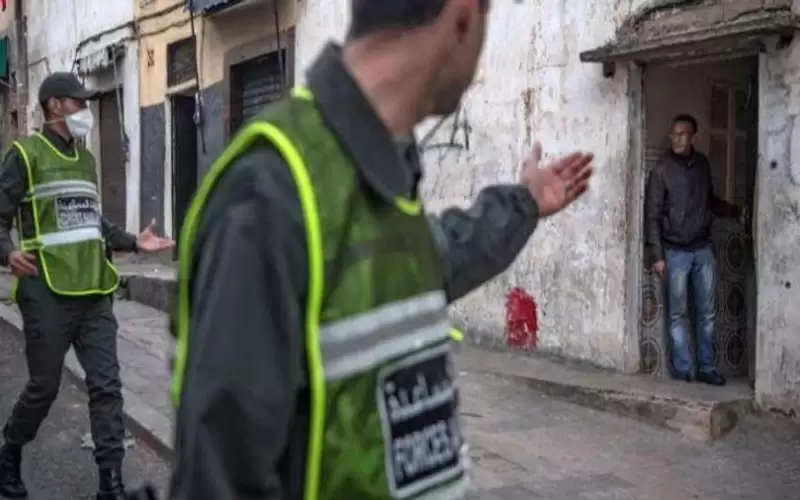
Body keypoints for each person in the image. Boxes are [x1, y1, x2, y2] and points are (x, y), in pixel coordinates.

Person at [168, 0, 594, 499]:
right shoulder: (271, 195)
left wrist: (524, 203)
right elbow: (219, 477)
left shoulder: (380, 174)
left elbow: (433, 258)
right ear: (461, 18)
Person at [0, 72, 175, 500]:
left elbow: (92, 220)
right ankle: (9, 452)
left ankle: (110, 485)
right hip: (46, 291)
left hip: (94, 290)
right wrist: (7, 252)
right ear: (55, 105)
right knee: (44, 387)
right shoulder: (24, 155)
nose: (85, 110)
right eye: (78, 103)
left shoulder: (87, 159)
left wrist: (133, 241)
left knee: (107, 386)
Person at [646, 114, 743, 386]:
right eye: (673, 134)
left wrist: (735, 212)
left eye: (682, 134)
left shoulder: (702, 165)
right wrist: (657, 256)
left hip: (703, 249)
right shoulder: (662, 170)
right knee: (678, 313)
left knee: (707, 313)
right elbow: (652, 215)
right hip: (674, 252)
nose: (676, 139)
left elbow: (710, 201)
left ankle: (707, 368)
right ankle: (684, 368)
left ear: (693, 137)